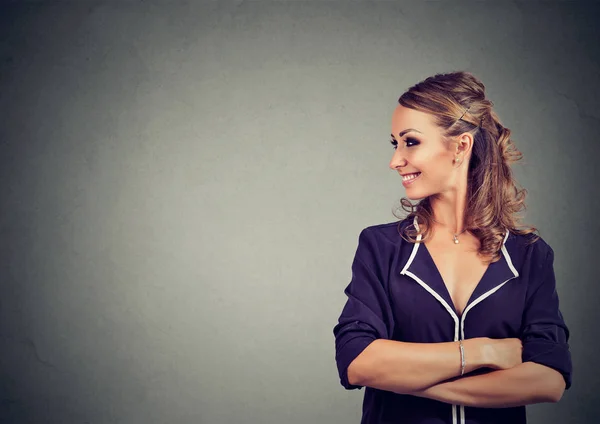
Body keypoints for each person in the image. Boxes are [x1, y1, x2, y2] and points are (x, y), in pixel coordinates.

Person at [332, 71, 572, 424]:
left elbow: (548, 379)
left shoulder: (529, 255)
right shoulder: (382, 246)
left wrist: (411, 382)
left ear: (460, 146)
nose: (395, 160)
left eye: (410, 142)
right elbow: (357, 361)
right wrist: (481, 351)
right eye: (394, 143)